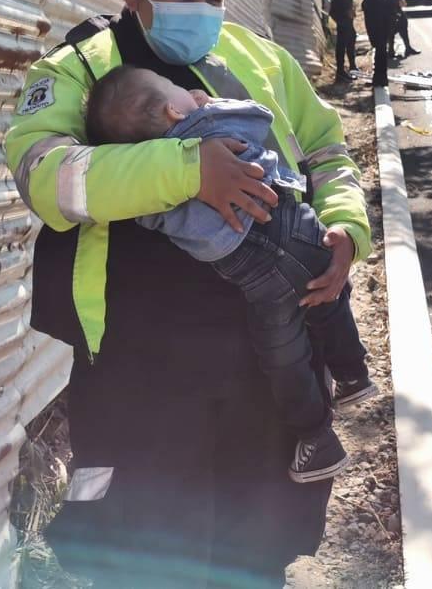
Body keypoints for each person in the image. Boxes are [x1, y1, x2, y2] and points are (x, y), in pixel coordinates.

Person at [4, 0, 374, 588]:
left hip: (264, 357)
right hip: (139, 368)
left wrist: (347, 229)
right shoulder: (82, 68)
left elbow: (326, 151)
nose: (201, 12)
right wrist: (187, 171)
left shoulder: (260, 59)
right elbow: (45, 177)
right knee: (144, 556)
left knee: (256, 549)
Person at [82, 66, 378, 482]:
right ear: (173, 109)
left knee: (284, 358)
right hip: (296, 229)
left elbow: (142, 214)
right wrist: (210, 105)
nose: (189, 90)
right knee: (330, 299)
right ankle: (353, 374)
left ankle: (317, 438)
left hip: (256, 279)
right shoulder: (210, 122)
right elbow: (260, 117)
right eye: (177, 89)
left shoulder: (153, 186)